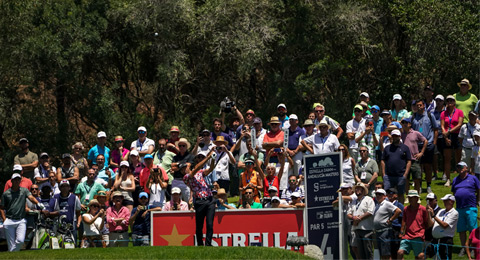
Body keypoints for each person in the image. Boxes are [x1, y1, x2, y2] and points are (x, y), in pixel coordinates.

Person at [0, 173, 41, 251]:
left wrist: (38, 203)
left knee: (20, 241)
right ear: (11, 181)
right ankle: (13, 256)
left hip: (21, 220)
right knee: (11, 244)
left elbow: (31, 197)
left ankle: (12, 253)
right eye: (15, 179)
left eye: (18, 179)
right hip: (9, 220)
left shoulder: (24, 190)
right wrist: (4, 219)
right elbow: (1, 208)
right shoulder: (6, 194)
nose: (17, 181)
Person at [183, 149, 216, 246]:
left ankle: (208, 244)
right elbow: (197, 167)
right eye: (185, 168)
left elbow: (211, 169)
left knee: (210, 224)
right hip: (199, 202)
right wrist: (208, 157)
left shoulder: (200, 172)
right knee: (199, 225)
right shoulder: (186, 177)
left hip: (209, 199)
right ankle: (200, 244)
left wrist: (213, 159)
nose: (186, 168)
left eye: (187, 167)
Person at [452, 161, 480, 256]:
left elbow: (478, 189)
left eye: (461, 167)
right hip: (459, 208)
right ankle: (464, 248)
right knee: (461, 230)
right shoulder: (455, 180)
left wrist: (477, 200)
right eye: (457, 167)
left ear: (466, 168)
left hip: (470, 207)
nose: (459, 168)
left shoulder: (473, 178)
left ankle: (473, 248)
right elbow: (454, 192)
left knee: (472, 229)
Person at [411, 99, 439, 193]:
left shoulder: (430, 116)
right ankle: (419, 186)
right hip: (417, 145)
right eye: (417, 105)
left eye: (420, 105)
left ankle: (428, 185)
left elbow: (435, 129)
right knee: (418, 167)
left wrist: (434, 142)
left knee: (427, 166)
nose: (418, 107)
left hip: (429, 144)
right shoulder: (413, 117)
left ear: (424, 105)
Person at [397, 190, 433, 260]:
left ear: (417, 198)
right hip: (407, 236)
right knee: (400, 252)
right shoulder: (406, 209)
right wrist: (401, 232)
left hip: (418, 236)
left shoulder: (423, 209)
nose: (410, 199)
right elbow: (404, 221)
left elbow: (428, 224)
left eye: (412, 197)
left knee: (418, 257)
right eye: (409, 197)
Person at [381, 129, 412, 204]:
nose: (395, 138)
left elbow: (409, 161)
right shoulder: (387, 148)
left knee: (400, 194)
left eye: (396, 136)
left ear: (400, 136)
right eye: (393, 136)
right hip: (389, 176)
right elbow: (382, 160)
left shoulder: (405, 148)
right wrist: (383, 174)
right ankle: (388, 210)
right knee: (388, 194)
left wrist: (405, 174)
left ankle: (400, 211)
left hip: (400, 175)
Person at [441, 95, 464, 186]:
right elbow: (442, 125)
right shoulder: (444, 113)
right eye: (448, 100)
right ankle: (448, 179)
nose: (449, 102)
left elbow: (459, 124)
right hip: (447, 135)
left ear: (454, 102)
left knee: (458, 158)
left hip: (457, 134)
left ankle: (460, 177)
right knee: (447, 159)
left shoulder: (459, 112)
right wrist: (445, 135)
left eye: (451, 100)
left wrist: (449, 131)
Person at [347, 182, 374, 260]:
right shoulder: (354, 201)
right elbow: (348, 214)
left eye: (359, 188)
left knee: (368, 251)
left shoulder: (368, 199)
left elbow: (370, 212)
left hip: (366, 229)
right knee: (360, 252)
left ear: (363, 190)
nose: (357, 190)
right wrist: (353, 218)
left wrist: (360, 218)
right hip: (356, 229)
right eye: (356, 189)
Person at [400, 117, 428, 194]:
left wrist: (421, 153)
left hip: (414, 159)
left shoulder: (415, 133)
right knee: (406, 179)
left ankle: (416, 195)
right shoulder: (401, 134)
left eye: (406, 123)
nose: (404, 125)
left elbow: (425, 141)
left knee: (417, 179)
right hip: (405, 159)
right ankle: (407, 195)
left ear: (409, 124)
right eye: (403, 123)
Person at [373, 188, 402, 260]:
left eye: (380, 194)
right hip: (378, 232)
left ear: (384, 196)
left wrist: (391, 219)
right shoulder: (377, 205)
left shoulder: (386, 203)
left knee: (387, 254)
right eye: (376, 194)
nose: (378, 196)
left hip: (385, 231)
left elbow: (398, 211)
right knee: (382, 254)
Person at [429, 194, 459, 260]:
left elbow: (445, 225)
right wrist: (429, 214)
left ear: (451, 202)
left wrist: (434, 215)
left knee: (445, 258)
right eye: (444, 201)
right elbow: (432, 223)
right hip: (436, 240)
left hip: (446, 241)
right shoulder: (441, 211)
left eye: (446, 201)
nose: (444, 202)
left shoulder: (454, 213)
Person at [171, 138, 194, 202]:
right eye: (180, 146)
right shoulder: (175, 157)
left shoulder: (191, 156)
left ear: (186, 147)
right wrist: (182, 165)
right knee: (175, 200)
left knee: (188, 200)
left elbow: (188, 166)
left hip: (186, 181)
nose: (181, 147)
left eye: (183, 146)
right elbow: (172, 167)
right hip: (176, 180)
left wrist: (178, 165)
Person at [386, 188, 404, 259]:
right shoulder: (386, 204)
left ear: (396, 195)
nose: (389, 195)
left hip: (396, 229)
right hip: (387, 230)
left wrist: (401, 232)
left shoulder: (399, 205)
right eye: (388, 194)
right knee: (389, 251)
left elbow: (403, 220)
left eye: (392, 193)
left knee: (398, 252)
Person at [424, 193, 442, 258]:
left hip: (435, 239)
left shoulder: (440, 211)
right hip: (426, 238)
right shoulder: (424, 210)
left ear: (435, 200)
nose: (429, 202)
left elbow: (431, 224)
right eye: (428, 200)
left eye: (431, 200)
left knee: (436, 257)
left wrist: (429, 213)